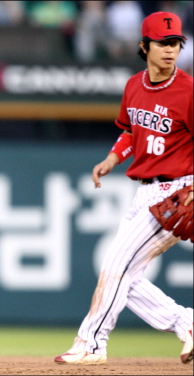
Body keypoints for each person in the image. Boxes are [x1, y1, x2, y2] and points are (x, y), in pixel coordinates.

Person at [54, 11, 193, 365]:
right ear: (144, 46)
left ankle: (91, 343)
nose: (170, 49)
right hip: (143, 192)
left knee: (116, 265)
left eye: (176, 43)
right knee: (122, 275)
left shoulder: (189, 92)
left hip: (177, 190)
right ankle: (186, 322)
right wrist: (113, 158)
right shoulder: (134, 85)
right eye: (163, 43)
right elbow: (131, 130)